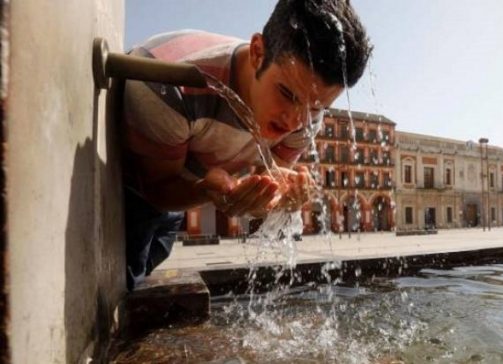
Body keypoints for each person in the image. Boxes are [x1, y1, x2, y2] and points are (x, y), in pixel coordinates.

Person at [121, 0, 372, 289]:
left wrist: (278, 196)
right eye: (287, 94)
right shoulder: (169, 86)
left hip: (177, 192)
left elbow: (270, 178)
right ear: (257, 52)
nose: (295, 121)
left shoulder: (307, 116)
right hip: (130, 191)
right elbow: (156, 190)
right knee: (125, 279)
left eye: (316, 107)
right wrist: (204, 192)